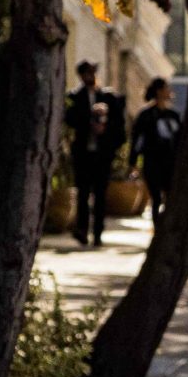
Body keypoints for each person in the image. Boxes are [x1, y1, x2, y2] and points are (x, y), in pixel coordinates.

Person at [64, 61, 126, 247]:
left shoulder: (108, 97)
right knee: (83, 193)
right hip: (83, 153)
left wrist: (105, 129)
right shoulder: (75, 97)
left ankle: (98, 232)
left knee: (100, 194)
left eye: (92, 72)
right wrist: (89, 119)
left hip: (102, 154)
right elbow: (70, 120)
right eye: (86, 73)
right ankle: (82, 229)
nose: (90, 76)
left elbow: (119, 126)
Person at [133, 77, 182, 219]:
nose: (170, 91)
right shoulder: (146, 116)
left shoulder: (173, 115)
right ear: (159, 91)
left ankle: (167, 225)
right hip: (152, 162)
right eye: (166, 88)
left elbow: (179, 139)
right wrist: (133, 162)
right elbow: (137, 139)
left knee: (170, 196)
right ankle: (156, 226)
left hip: (170, 162)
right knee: (156, 197)